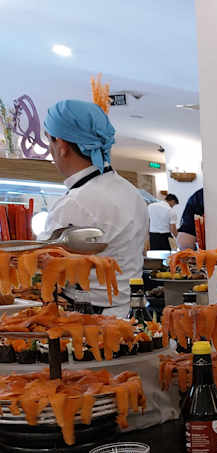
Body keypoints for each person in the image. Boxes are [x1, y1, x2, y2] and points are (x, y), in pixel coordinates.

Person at [42, 99, 148, 317]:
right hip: (131, 313)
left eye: (49, 141)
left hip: (87, 320)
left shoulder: (74, 203)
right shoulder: (132, 192)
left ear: (61, 145)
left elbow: (47, 268)